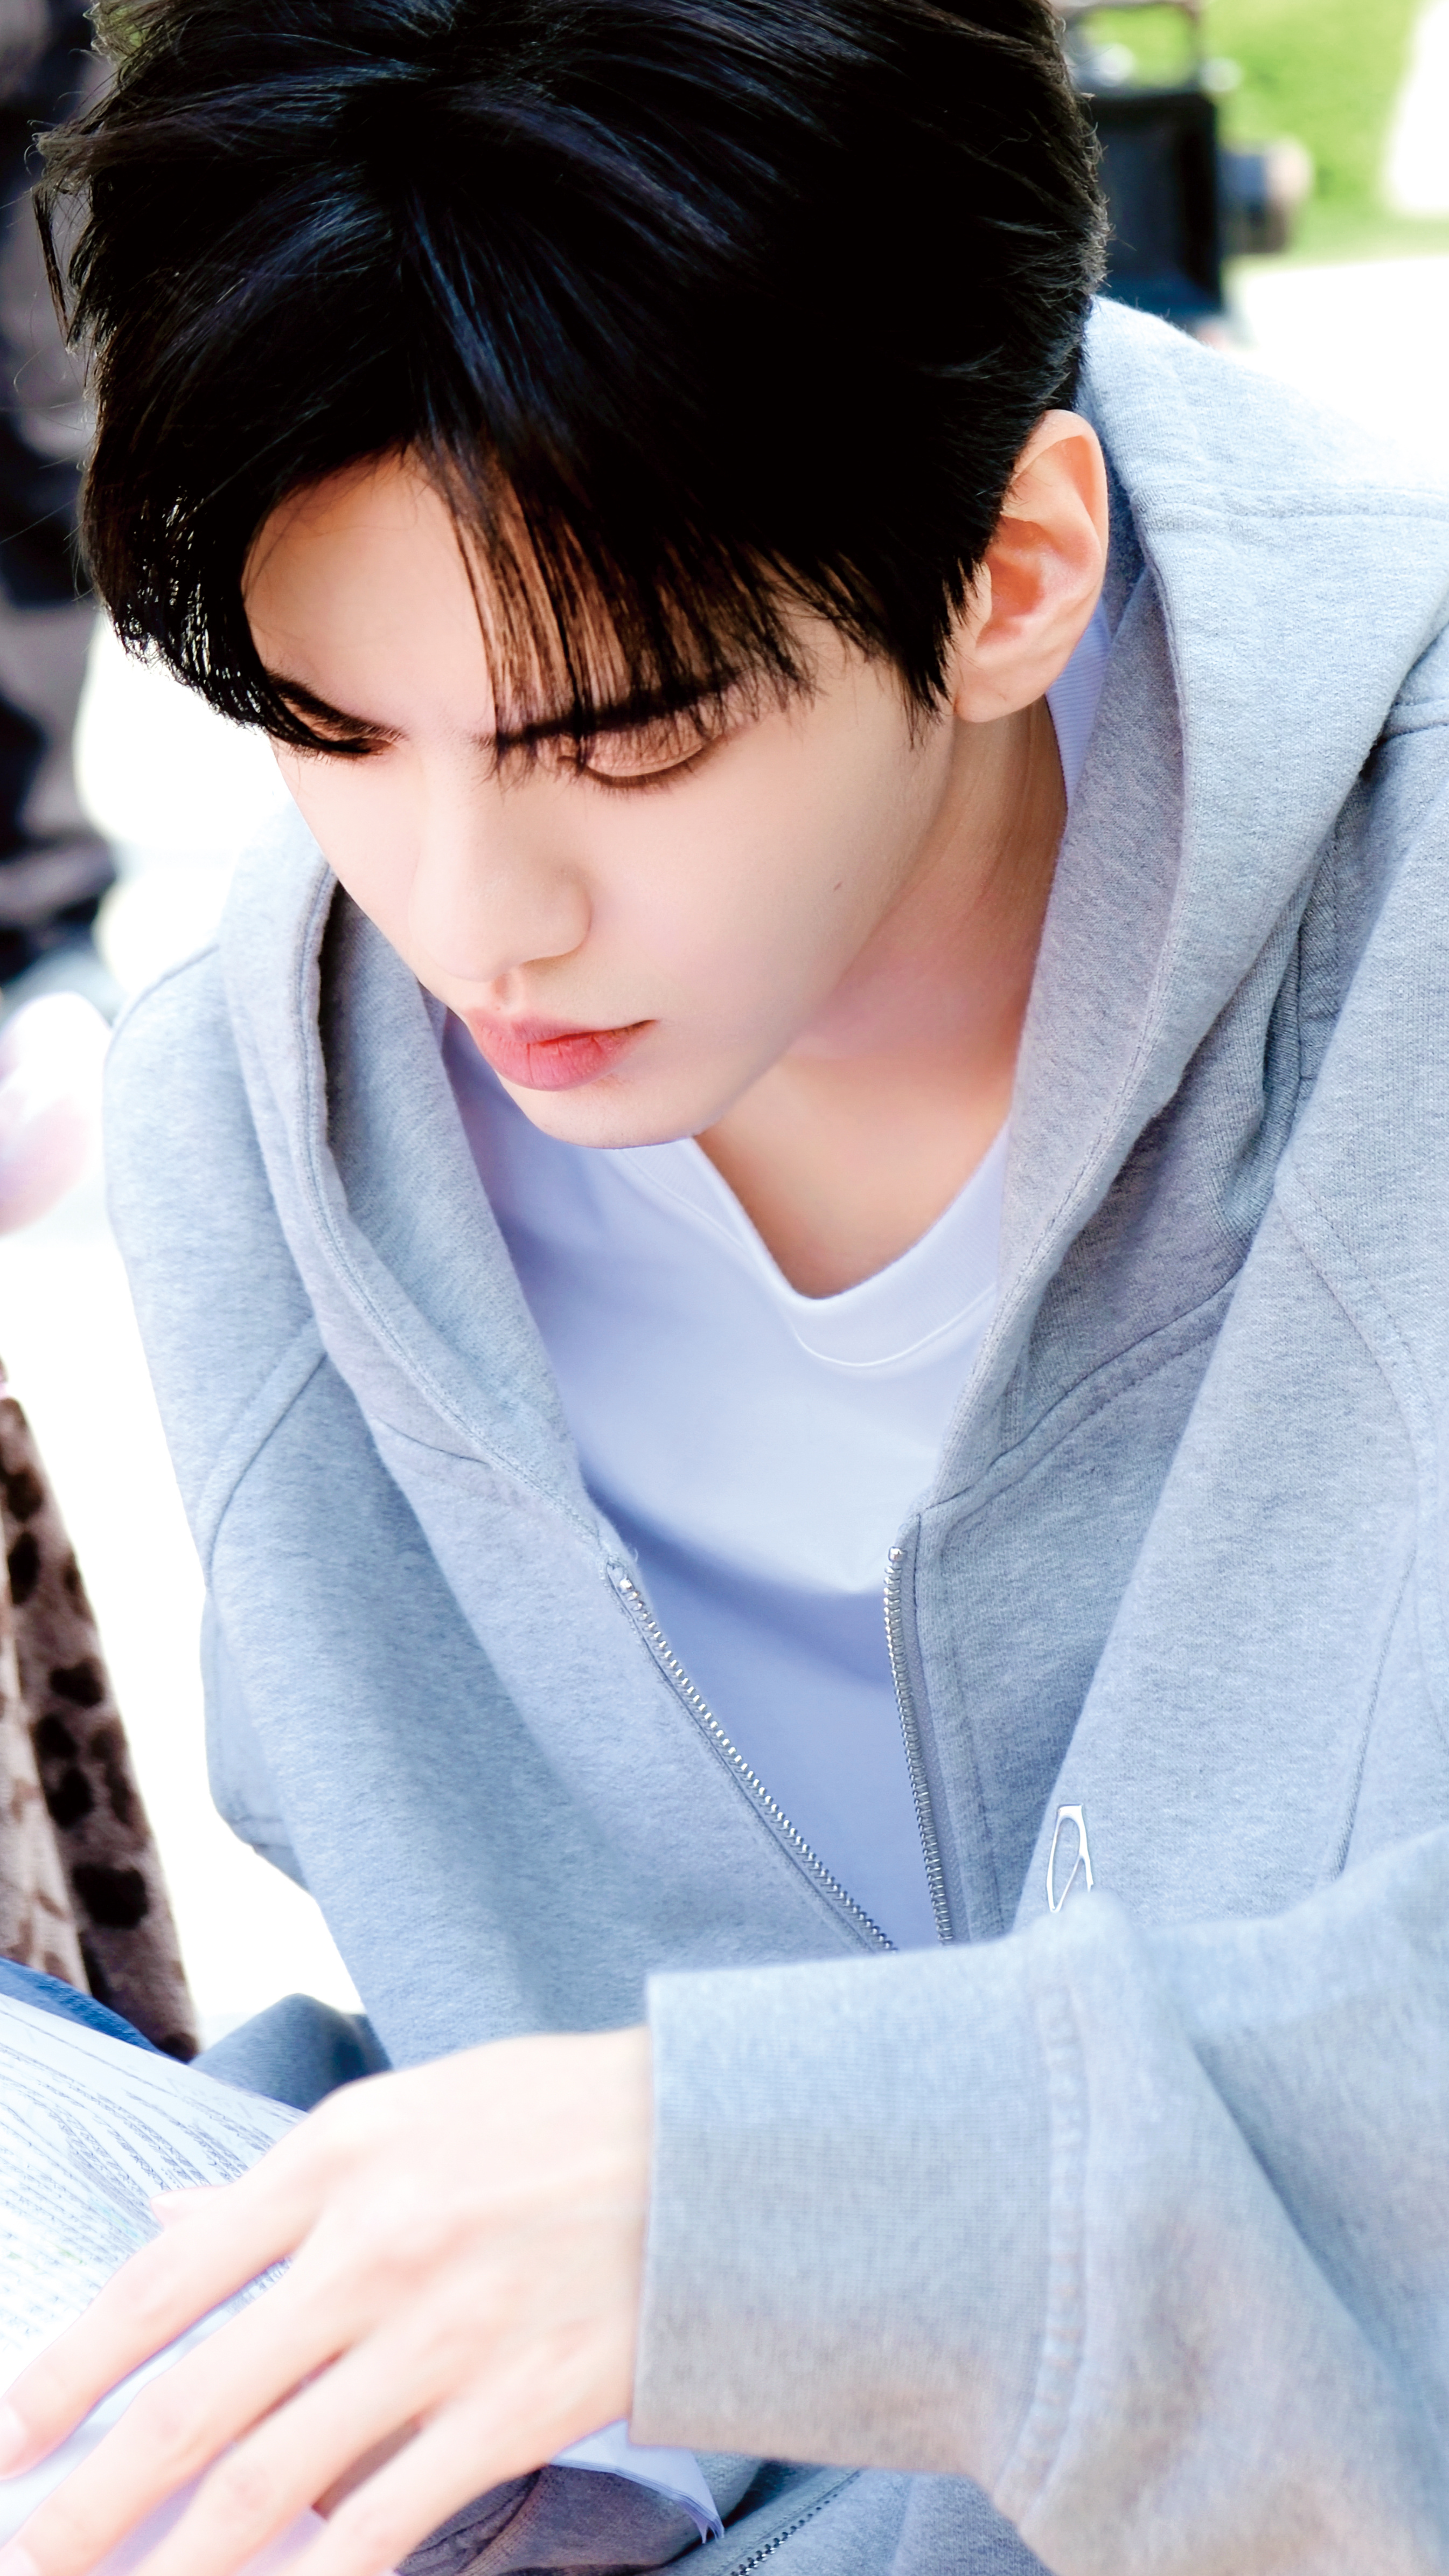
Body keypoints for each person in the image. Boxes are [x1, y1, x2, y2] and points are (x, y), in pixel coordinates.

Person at [3, 0, 1449, 2570]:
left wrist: (762, 2197)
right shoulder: (272, 1106)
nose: (471, 916)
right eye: (335, 730)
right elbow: (530, 2060)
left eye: (624, 740)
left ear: (1012, 575)